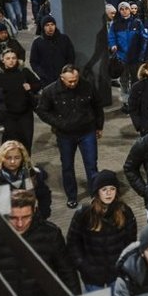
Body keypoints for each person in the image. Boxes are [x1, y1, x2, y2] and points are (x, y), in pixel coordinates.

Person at [0, 190, 80, 296]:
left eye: (26, 217)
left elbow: (68, 274)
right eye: (14, 218)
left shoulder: (50, 234)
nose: (20, 223)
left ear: (34, 211)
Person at [36, 64, 104, 209]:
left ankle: (94, 195)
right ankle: (72, 197)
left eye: (75, 80)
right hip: (65, 135)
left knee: (91, 165)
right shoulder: (50, 91)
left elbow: (98, 105)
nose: (73, 83)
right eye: (70, 81)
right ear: (62, 78)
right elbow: (42, 110)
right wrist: (58, 123)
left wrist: (99, 126)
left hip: (87, 131)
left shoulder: (87, 86)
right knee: (67, 167)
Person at [66, 170, 138, 293]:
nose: (109, 193)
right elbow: (73, 242)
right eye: (104, 189)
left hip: (116, 274)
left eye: (112, 189)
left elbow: (130, 242)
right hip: (92, 276)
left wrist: (124, 265)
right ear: (97, 192)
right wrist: (83, 266)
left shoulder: (125, 211)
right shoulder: (84, 213)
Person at [0, 48, 40, 150]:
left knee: (26, 144)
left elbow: (39, 84)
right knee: (9, 145)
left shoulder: (24, 72)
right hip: (8, 115)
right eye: (8, 58)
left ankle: (26, 165)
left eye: (14, 58)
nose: (11, 60)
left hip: (25, 114)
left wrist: (31, 86)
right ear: (3, 60)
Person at [0, 140, 51, 220]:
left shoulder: (31, 174)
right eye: (8, 158)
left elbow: (44, 194)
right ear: (1, 158)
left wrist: (42, 214)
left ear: (22, 158)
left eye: (17, 158)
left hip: (29, 220)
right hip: (5, 223)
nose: (12, 161)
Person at [108, 1, 148, 112]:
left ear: (130, 10)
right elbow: (111, 36)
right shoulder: (115, 24)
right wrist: (113, 45)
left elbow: (144, 38)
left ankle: (136, 101)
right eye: (122, 9)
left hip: (135, 57)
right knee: (124, 81)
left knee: (136, 81)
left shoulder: (137, 22)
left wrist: (142, 53)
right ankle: (126, 102)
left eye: (126, 8)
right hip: (122, 58)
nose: (124, 11)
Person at [29, 15, 75, 88]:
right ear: (43, 27)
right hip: (46, 80)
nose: (50, 27)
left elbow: (71, 56)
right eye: (47, 25)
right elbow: (33, 62)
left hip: (63, 78)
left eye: (52, 24)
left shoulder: (64, 39)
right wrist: (42, 74)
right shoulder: (37, 42)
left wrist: (67, 72)